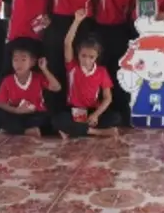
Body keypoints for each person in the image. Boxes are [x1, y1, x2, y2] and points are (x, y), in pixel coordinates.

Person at [34, 0, 94, 107]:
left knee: (80, 66)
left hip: (83, 24)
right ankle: (54, 108)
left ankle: (78, 107)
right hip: (59, 22)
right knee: (54, 63)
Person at [51, 10, 121, 139]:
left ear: (97, 57)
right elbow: (67, 43)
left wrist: (96, 115)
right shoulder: (72, 67)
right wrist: (77, 21)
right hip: (74, 110)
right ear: (78, 54)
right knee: (57, 120)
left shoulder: (101, 71)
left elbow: (107, 98)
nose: (87, 60)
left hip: (92, 111)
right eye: (83, 56)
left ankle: (75, 130)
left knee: (115, 117)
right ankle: (97, 132)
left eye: (91, 57)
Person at [90, 0, 136, 123]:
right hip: (101, 31)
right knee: (101, 70)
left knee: (120, 71)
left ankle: (123, 113)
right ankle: (100, 112)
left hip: (120, 31)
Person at [0, 48, 61, 136]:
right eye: (15, 60)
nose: (19, 64)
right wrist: (16, 111)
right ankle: (26, 131)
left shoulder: (38, 77)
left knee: (49, 119)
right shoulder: (7, 80)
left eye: (23, 60)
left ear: (32, 62)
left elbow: (56, 87)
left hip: (34, 115)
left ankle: (11, 130)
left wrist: (44, 69)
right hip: (15, 114)